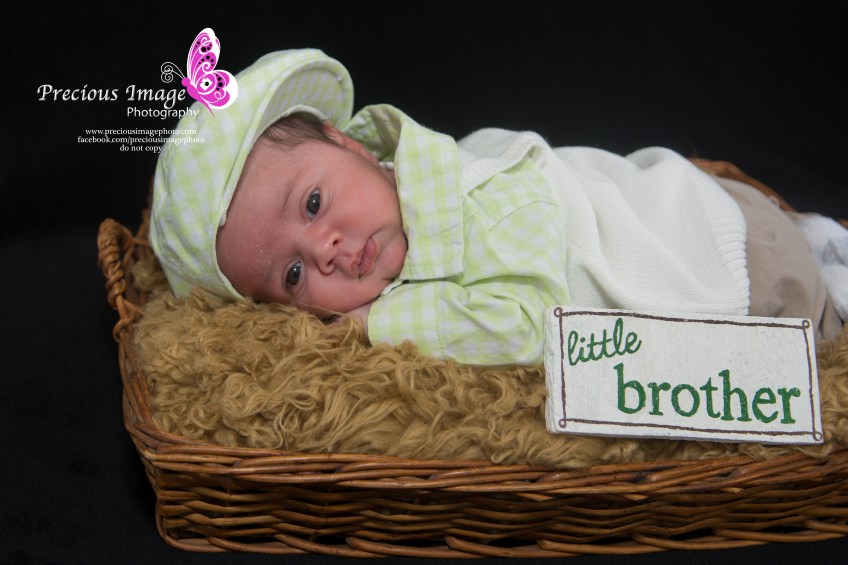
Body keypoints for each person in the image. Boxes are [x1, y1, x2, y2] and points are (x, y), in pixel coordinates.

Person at [150, 49, 846, 366]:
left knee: (815, 331)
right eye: (294, 277)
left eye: (312, 202)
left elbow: (522, 326)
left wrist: (374, 320)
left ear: (349, 142)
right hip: (728, 217)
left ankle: (819, 254)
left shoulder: (472, 193)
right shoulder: (396, 225)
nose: (325, 249)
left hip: (737, 258)